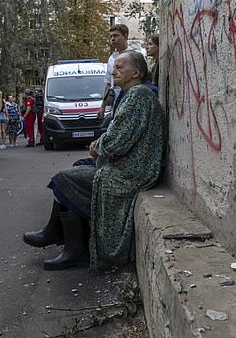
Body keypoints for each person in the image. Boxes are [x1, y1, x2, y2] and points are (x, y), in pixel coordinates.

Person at [23, 51, 165, 271]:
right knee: (78, 168)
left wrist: (98, 147)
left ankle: (72, 249)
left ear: (136, 72)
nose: (114, 71)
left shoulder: (138, 96)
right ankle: (62, 237)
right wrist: (100, 144)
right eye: (114, 67)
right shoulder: (134, 94)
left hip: (130, 173)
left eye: (120, 67)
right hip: (130, 165)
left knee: (64, 179)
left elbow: (117, 143)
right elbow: (119, 133)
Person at [97, 24, 132, 119]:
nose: (112, 39)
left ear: (125, 36)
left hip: (130, 100)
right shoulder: (111, 58)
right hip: (115, 102)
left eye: (116, 36)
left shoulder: (134, 56)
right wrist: (103, 107)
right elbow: (109, 84)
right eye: (111, 36)